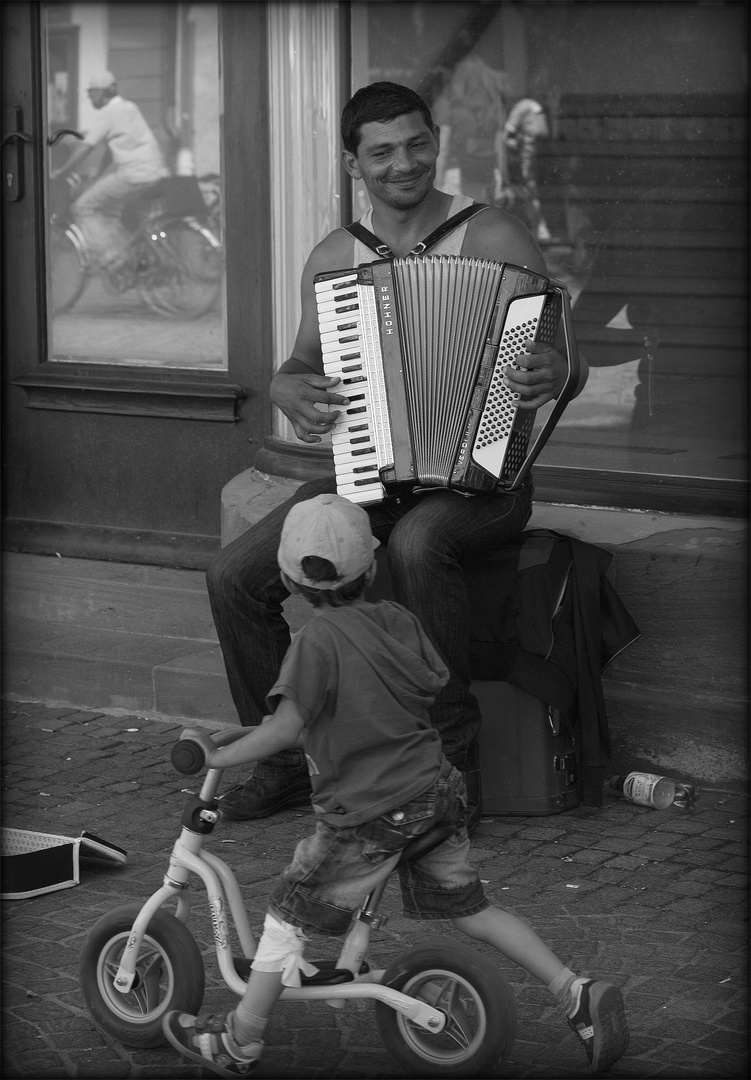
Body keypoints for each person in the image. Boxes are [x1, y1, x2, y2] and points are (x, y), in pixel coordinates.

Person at [206, 81, 589, 830]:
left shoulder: (495, 236)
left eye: (416, 143)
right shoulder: (333, 259)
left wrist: (554, 373)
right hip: (373, 473)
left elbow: (564, 362)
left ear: (434, 144)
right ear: (355, 163)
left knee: (418, 543)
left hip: (484, 477)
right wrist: (290, 391)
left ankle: (451, 770)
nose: (402, 162)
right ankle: (282, 762)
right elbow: (295, 367)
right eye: (381, 151)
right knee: (232, 576)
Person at [164, 493, 629, 1077]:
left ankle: (240, 1040)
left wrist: (220, 751)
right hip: (434, 792)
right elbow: (428, 682)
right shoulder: (399, 620)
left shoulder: (315, 644)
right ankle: (573, 989)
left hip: (368, 811)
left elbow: (287, 727)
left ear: (287, 578)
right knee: (472, 909)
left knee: (288, 913)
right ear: (375, 567)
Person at [49, 71, 169, 269]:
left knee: (83, 207)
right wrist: (98, 172)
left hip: (134, 174)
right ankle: (133, 257)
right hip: (156, 172)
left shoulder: (108, 113)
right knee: (111, 210)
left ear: (101, 92)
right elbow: (112, 144)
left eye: (91, 93)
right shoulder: (129, 107)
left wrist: (61, 171)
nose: (88, 97)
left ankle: (113, 258)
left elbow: (86, 147)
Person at [501, 97, 555, 244]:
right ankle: (540, 230)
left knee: (526, 195)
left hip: (523, 165)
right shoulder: (536, 108)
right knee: (530, 194)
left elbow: (505, 137)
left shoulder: (522, 107)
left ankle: (539, 230)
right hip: (535, 163)